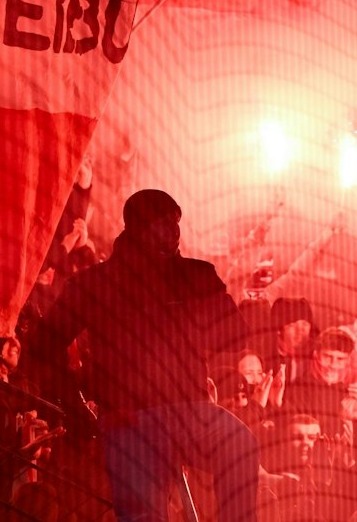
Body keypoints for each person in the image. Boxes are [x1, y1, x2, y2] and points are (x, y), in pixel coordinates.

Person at [31, 189, 260, 522]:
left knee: (241, 446)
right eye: (163, 222)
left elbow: (236, 334)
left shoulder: (192, 275)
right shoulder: (97, 283)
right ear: (138, 228)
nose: (174, 231)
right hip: (135, 420)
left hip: (182, 413)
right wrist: (77, 403)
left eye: (176, 221)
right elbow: (43, 346)